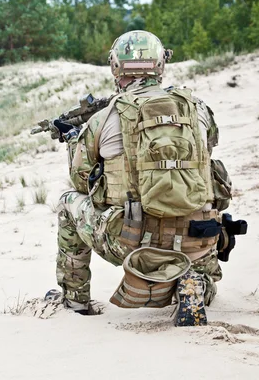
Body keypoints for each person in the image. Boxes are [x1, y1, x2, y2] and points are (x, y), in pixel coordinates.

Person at [48, 30, 233, 326]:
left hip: (132, 240)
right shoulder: (197, 110)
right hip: (197, 236)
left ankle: (75, 299)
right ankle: (198, 284)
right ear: (160, 65)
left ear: (115, 67)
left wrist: (74, 142)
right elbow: (207, 157)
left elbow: (81, 182)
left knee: (68, 203)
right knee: (205, 236)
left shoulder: (104, 118)